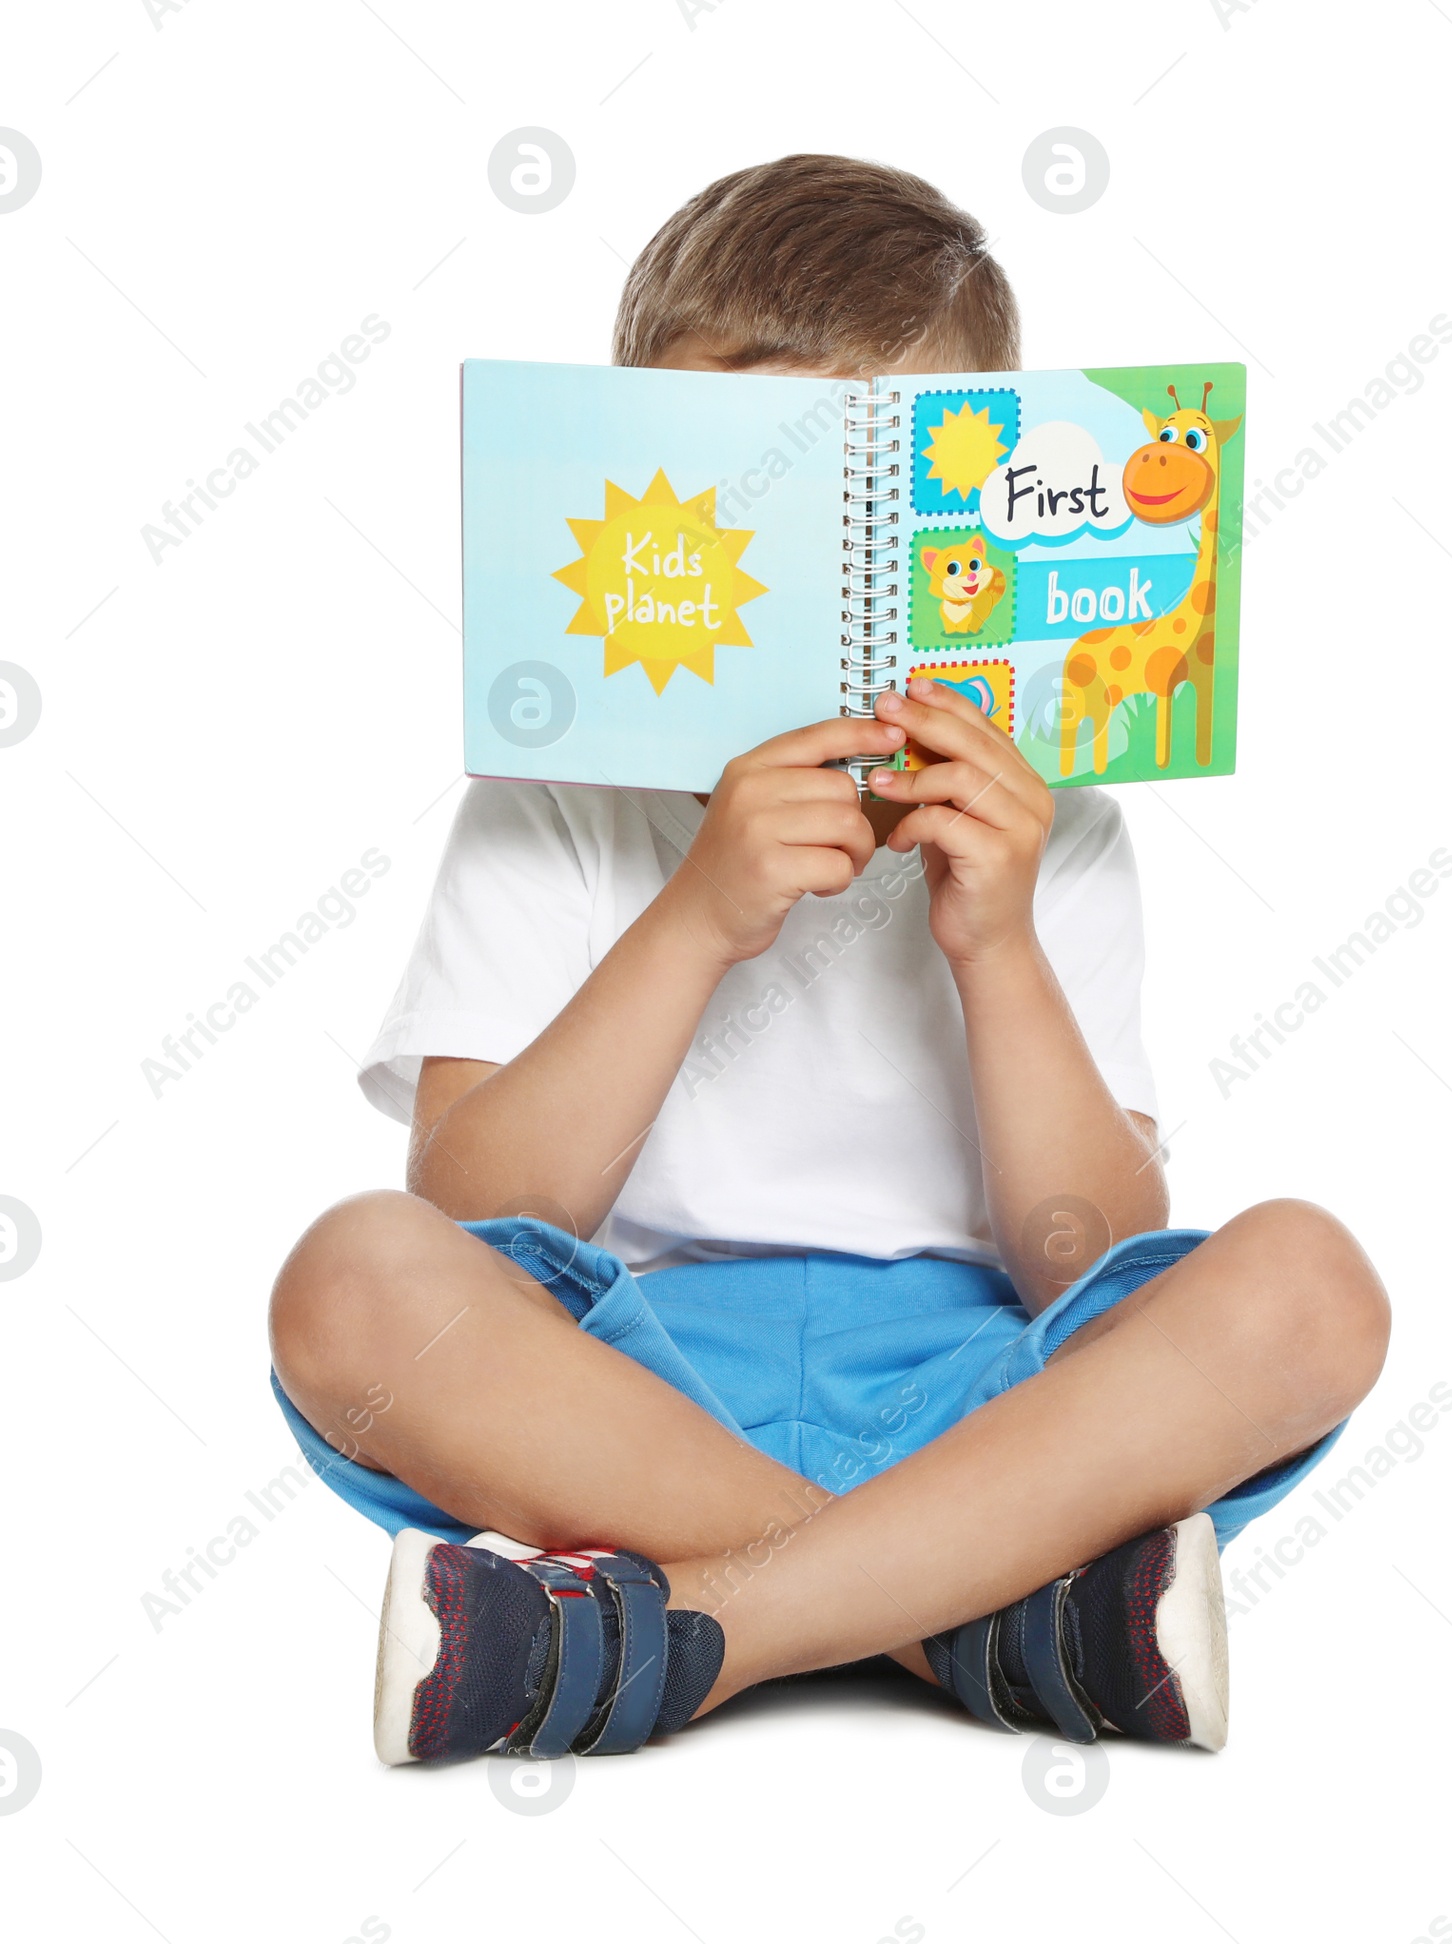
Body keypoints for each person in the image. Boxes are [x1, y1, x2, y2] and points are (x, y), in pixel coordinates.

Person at [268, 154, 1390, 1765]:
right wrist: (702, 915)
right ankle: (979, 1626)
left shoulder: (1050, 813)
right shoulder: (550, 790)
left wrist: (995, 944)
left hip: (1000, 1413)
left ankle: (681, 1634)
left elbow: (1096, 1259)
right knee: (352, 1275)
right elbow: (478, 1214)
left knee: (1309, 1286)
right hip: (625, 1408)